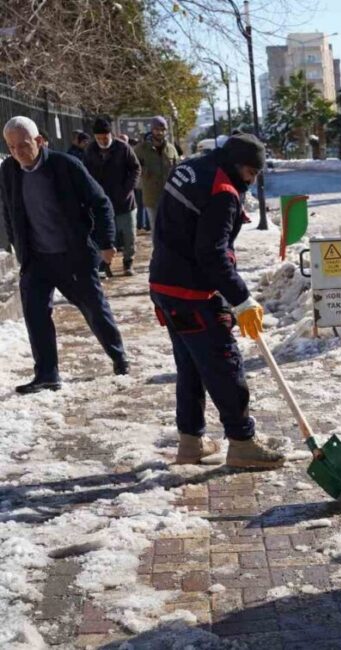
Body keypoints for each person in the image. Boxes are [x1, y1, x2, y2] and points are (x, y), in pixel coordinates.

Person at [149, 133, 285, 469]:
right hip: (192, 294)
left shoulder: (192, 167)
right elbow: (212, 253)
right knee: (225, 363)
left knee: (191, 365)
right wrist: (241, 299)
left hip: (165, 285)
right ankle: (242, 443)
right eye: (250, 174)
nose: (250, 182)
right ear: (238, 166)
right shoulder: (223, 191)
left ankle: (191, 443)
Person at [0, 116, 129, 394]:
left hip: (73, 255)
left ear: (38, 141)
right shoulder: (9, 170)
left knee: (94, 308)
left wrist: (106, 242)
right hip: (36, 258)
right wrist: (17, 245)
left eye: (23, 145)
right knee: (35, 314)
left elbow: (100, 202)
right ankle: (47, 373)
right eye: (11, 147)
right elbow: (9, 210)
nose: (18, 152)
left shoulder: (65, 165)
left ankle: (118, 356)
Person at [84, 116, 140, 277]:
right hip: (102, 202)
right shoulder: (90, 151)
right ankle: (105, 265)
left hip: (125, 201)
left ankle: (128, 263)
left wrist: (126, 189)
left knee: (129, 235)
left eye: (105, 137)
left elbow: (135, 169)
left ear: (111, 134)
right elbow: (85, 174)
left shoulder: (123, 148)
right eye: (99, 138)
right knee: (106, 236)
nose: (103, 141)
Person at [133, 117, 179, 236]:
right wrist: (144, 171)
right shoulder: (141, 149)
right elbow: (132, 167)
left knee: (170, 229)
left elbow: (177, 169)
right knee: (156, 230)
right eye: (157, 129)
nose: (160, 132)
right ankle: (157, 249)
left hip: (169, 196)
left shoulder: (171, 149)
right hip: (151, 196)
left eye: (162, 130)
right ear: (152, 130)